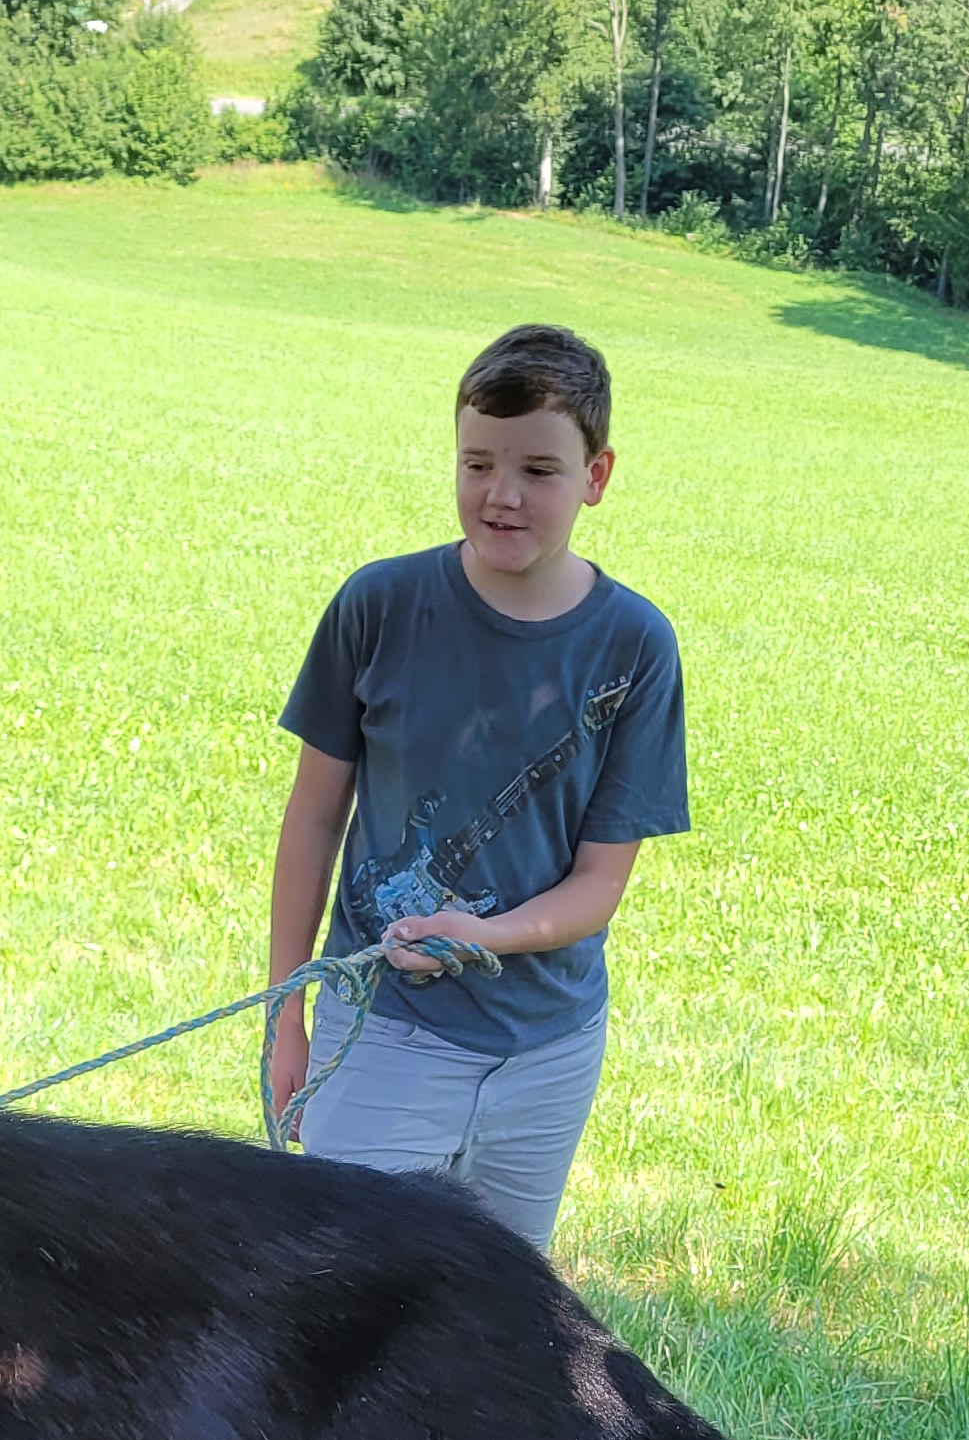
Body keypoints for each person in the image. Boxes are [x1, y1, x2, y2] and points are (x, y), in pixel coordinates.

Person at [260, 323, 689, 1255]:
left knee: (492, 1329)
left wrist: (482, 937)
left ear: (597, 476)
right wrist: (285, 1016)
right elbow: (313, 821)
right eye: (477, 463)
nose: (501, 496)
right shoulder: (377, 606)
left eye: (539, 469)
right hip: (383, 1031)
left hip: (548, 1050)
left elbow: (600, 884)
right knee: (340, 1308)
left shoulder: (635, 648)